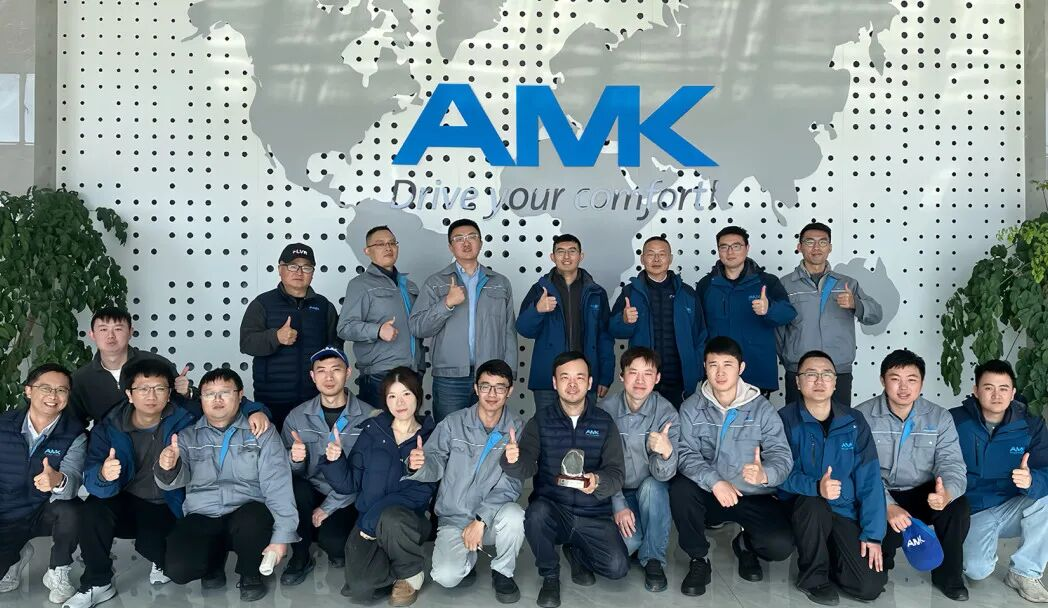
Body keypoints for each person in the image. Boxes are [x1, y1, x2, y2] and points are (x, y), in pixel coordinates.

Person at [64, 359, 270, 608]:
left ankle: (185, 559)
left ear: (169, 392)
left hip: (169, 502)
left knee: (179, 568)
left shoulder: (186, 414)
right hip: (126, 498)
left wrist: (256, 411)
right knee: (92, 509)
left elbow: (225, 402)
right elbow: (92, 477)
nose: (151, 396)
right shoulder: (110, 426)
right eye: (143, 389)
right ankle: (97, 582)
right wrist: (103, 475)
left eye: (159, 388)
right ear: (129, 394)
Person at [156, 369, 297, 602]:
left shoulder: (261, 432)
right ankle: (212, 564)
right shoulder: (187, 437)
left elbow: (278, 486)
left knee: (254, 519)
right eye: (209, 394)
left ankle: (250, 573)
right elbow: (171, 485)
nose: (217, 399)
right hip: (203, 514)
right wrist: (167, 467)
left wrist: (281, 538)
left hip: (247, 513)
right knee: (179, 569)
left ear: (240, 395)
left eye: (225, 392)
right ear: (200, 399)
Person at [669, 336, 795, 597]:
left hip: (752, 494)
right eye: (713, 365)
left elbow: (782, 456)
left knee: (780, 546)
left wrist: (765, 474)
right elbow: (685, 453)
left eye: (728, 364)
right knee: (680, 490)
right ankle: (698, 558)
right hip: (710, 492)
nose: (720, 372)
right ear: (705, 367)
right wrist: (714, 481)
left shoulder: (762, 409)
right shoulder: (691, 408)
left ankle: (746, 545)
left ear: (741, 368)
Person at [502, 351, 628, 608]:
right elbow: (526, 466)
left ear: (589, 383)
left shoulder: (604, 422)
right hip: (553, 509)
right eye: (565, 378)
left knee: (617, 568)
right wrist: (512, 460)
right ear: (554, 382)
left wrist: (598, 481)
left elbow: (616, 473)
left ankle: (576, 550)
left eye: (579, 378)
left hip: (593, 513)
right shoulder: (541, 421)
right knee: (535, 514)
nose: (572, 384)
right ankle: (550, 575)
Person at [405, 359, 525, 604]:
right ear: (475, 388)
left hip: (492, 518)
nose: (492, 394)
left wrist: (481, 520)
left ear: (510, 391)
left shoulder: (518, 429)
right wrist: (417, 465)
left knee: (515, 516)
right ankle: (466, 560)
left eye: (500, 387)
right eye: (485, 386)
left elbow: (511, 485)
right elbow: (434, 461)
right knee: (445, 576)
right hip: (455, 517)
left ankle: (502, 571)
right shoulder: (453, 423)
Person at [855, 349, 970, 601]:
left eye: (912, 379)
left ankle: (949, 576)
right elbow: (859, 470)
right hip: (878, 493)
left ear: (922, 383)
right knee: (869, 583)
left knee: (957, 507)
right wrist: (887, 505)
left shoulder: (939, 417)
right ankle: (883, 561)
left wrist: (947, 493)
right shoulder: (862, 417)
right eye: (895, 379)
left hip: (923, 493)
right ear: (882, 380)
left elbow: (952, 463)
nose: (904, 387)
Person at [320, 367, 436, 607]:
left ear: (417, 395)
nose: (400, 402)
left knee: (392, 519)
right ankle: (392, 568)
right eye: (392, 396)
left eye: (406, 394)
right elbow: (349, 484)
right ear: (385, 400)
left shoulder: (430, 436)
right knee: (360, 589)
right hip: (368, 522)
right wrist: (335, 461)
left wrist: (371, 521)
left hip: (407, 523)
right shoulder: (373, 431)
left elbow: (421, 492)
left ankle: (411, 574)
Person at [778, 350, 887, 605]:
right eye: (810, 374)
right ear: (798, 382)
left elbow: (870, 479)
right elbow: (777, 474)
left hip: (842, 509)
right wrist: (816, 486)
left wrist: (873, 535)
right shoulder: (784, 420)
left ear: (835, 382)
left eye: (826, 374)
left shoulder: (854, 421)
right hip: (800, 507)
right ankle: (813, 579)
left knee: (869, 586)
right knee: (813, 505)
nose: (819, 381)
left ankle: (831, 560)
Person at [278, 346, 379, 586]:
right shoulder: (297, 416)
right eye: (321, 371)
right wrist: (295, 459)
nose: (329, 377)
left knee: (336, 544)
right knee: (297, 489)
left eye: (336, 369)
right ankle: (300, 557)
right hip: (310, 490)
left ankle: (332, 541)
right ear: (312, 376)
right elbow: (283, 473)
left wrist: (329, 507)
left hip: (347, 494)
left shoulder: (370, 417)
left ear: (348, 373)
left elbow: (369, 477)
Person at [951, 359, 1048, 603]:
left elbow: (1046, 470)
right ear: (976, 390)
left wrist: (1031, 480)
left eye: (1003, 388)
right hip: (974, 512)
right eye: (989, 387)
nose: (997, 395)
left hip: (1011, 506)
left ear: (1013, 392)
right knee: (976, 571)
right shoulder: (955, 421)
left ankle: (1024, 572)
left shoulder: (1031, 425)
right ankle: (973, 549)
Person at [409, 219, 518, 422]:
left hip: (491, 377)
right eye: (459, 239)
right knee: (449, 433)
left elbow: (508, 331)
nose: (466, 243)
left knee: (489, 431)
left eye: (471, 237)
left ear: (481, 242)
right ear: (451, 247)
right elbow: (418, 327)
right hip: (449, 378)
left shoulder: (500, 283)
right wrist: (446, 303)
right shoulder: (436, 282)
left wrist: (509, 372)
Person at [0, 364, 84, 605]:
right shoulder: (3, 425)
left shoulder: (75, 433)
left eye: (61, 390)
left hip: (42, 511)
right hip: (5, 513)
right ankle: (16, 556)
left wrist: (58, 480)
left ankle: (58, 570)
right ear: (28, 391)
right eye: (45, 388)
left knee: (73, 509)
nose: (53, 396)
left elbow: (72, 482)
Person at [597, 347, 679, 593]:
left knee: (654, 486)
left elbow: (664, 476)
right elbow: (599, 465)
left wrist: (666, 453)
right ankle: (641, 539)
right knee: (628, 544)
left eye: (648, 373)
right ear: (621, 376)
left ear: (658, 378)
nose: (640, 380)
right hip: (615, 492)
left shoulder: (666, 413)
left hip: (649, 493)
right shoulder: (604, 410)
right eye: (633, 373)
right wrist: (618, 504)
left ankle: (653, 559)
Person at [777, 222, 883, 407]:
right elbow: (778, 331)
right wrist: (790, 359)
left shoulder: (847, 284)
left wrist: (856, 304)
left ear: (830, 247)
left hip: (838, 370)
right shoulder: (785, 285)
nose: (816, 247)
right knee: (796, 422)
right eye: (810, 242)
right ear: (799, 247)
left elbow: (876, 315)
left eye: (822, 242)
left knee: (839, 421)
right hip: (800, 371)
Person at [240, 242, 341, 429]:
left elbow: (335, 349)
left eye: (306, 267)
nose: (299, 272)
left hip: (315, 400)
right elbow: (246, 343)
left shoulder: (324, 306)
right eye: (293, 266)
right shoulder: (262, 303)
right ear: (280, 269)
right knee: (273, 447)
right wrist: (275, 337)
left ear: (313, 272)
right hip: (272, 400)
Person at [517, 234, 614, 412]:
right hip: (548, 380)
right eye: (561, 252)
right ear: (552, 257)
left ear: (581, 256)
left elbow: (604, 337)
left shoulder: (596, 292)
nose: (566, 256)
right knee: (547, 427)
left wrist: (605, 376)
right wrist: (537, 310)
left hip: (585, 378)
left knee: (584, 427)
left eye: (572, 251)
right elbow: (523, 329)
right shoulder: (539, 290)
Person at [696, 226, 796, 396]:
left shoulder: (767, 282)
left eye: (736, 246)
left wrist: (769, 309)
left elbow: (788, 313)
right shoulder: (706, 285)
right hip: (719, 373)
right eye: (724, 247)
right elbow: (698, 328)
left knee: (756, 414)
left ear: (747, 248)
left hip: (756, 371)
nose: (730, 252)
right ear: (718, 250)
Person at [610, 236, 706, 408]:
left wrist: (695, 368)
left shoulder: (687, 294)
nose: (656, 259)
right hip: (643, 382)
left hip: (680, 383)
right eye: (650, 254)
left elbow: (701, 336)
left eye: (662, 254)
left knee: (678, 425)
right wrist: (625, 321)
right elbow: (614, 330)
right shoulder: (630, 293)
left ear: (670, 258)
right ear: (642, 259)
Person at [337, 225, 424, 407]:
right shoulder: (360, 285)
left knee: (407, 425)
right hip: (380, 376)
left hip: (412, 373)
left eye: (392, 243)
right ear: (367, 251)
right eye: (380, 244)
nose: (388, 247)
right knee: (380, 425)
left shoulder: (409, 285)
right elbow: (344, 327)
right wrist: (377, 331)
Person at [70, 306, 193, 426]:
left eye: (118, 329)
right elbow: (73, 424)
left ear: (130, 332)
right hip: (107, 438)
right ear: (92, 334)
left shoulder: (157, 364)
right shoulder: (81, 379)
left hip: (159, 436)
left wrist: (186, 393)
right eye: (103, 329)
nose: (110, 335)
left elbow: (186, 408)